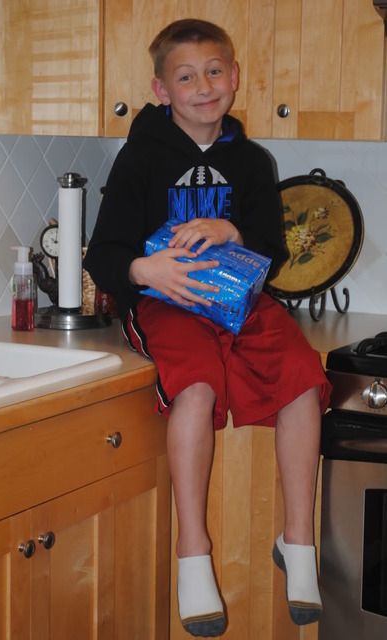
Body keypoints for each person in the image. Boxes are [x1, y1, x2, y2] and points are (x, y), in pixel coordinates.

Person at [83, 18, 331, 638]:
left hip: (241, 303)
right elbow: (103, 254)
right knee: (195, 386)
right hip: (168, 305)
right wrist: (145, 270)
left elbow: (272, 248)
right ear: (161, 90)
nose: (204, 87)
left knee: (304, 377)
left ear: (234, 77)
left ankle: (298, 541)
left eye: (215, 72)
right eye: (187, 76)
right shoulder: (139, 158)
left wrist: (233, 230)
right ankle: (192, 551)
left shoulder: (251, 160)